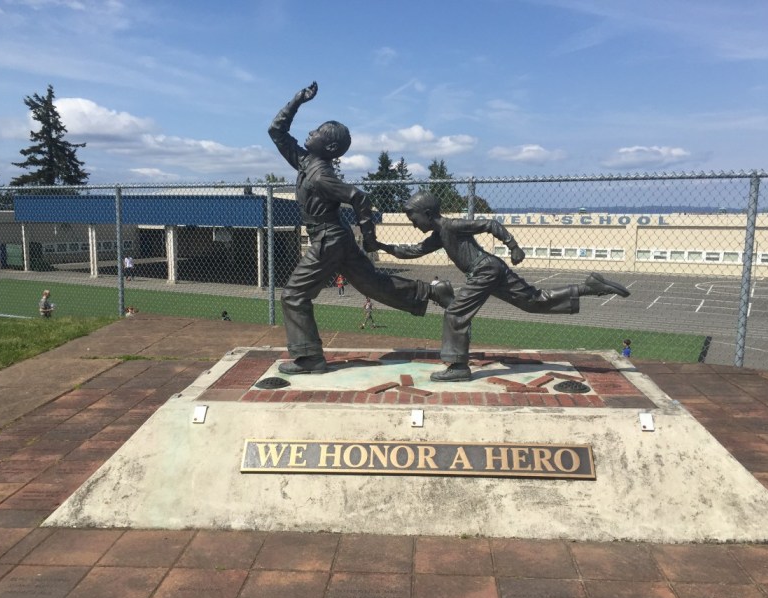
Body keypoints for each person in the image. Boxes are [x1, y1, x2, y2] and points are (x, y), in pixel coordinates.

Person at [268, 81, 453, 375]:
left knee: (293, 296)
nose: (310, 132)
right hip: (336, 239)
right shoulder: (305, 161)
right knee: (373, 286)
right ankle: (432, 292)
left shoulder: (320, 175)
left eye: (317, 132)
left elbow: (358, 197)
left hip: (328, 240)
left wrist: (369, 238)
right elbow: (276, 131)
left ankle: (310, 358)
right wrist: (297, 100)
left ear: (330, 147)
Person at [377, 192, 631, 382]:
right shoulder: (439, 235)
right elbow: (413, 251)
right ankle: (590, 287)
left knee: (455, 312)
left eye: (413, 218)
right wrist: (382, 247)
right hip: (491, 269)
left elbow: (490, 224)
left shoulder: (451, 226)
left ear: (427, 213)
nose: (413, 224)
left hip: (484, 270)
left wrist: (513, 246)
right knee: (533, 301)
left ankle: (458, 367)